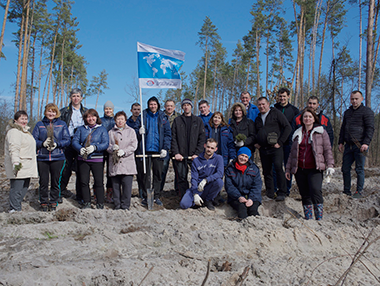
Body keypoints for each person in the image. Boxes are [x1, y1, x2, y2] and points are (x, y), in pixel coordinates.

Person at [285, 108, 334, 220]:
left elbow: (327, 150)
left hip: (315, 168)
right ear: (302, 119)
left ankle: (319, 218)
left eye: (310, 117)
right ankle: (308, 218)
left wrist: (330, 165)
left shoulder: (321, 132)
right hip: (300, 169)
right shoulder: (297, 134)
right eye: (305, 117)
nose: (307, 119)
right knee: (305, 193)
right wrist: (288, 169)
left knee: (315, 190)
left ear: (314, 119)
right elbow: (292, 154)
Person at [32, 103, 70, 211]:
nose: (51, 113)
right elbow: (33, 140)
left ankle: (54, 201)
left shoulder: (62, 124)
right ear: (45, 112)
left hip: (58, 157)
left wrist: (57, 144)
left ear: (56, 113)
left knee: (55, 181)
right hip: (42, 157)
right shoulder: (39, 125)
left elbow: (67, 140)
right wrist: (42, 144)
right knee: (43, 181)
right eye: (49, 111)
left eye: (53, 111)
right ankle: (43, 202)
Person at [254, 97, 291, 201]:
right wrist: (256, 143)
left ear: (268, 104)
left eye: (263, 104)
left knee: (278, 168)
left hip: (275, 148)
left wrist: (280, 142)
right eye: (259, 105)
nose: (261, 106)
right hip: (263, 149)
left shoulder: (276, 113)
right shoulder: (257, 118)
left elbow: (287, 127)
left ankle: (282, 192)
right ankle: (270, 192)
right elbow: (255, 132)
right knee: (266, 171)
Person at [338, 90, 375, 198]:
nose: (354, 101)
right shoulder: (347, 112)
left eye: (356, 99)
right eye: (352, 99)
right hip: (348, 145)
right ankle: (346, 190)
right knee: (345, 168)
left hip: (360, 145)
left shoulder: (367, 112)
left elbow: (370, 128)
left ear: (361, 99)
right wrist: (340, 142)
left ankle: (359, 191)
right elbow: (343, 128)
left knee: (359, 169)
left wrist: (366, 143)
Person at [136, 96, 171, 206]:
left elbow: (167, 135)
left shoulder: (163, 117)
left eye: (154, 104)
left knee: (158, 174)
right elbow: (135, 131)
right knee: (145, 175)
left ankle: (156, 195)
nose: (153, 106)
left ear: (158, 105)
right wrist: (139, 131)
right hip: (145, 150)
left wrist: (165, 148)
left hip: (158, 150)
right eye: (151, 104)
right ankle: (146, 196)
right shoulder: (143, 116)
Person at [72, 109, 109, 209]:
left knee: (99, 181)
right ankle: (87, 202)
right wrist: (80, 149)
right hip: (83, 159)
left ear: (96, 117)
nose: (91, 119)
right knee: (84, 181)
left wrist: (95, 148)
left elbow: (105, 143)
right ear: (85, 118)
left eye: (93, 116)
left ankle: (100, 202)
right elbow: (75, 141)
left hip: (97, 159)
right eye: (88, 117)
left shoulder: (102, 129)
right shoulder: (81, 129)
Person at [5, 110, 38, 213]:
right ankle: (14, 209)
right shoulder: (14, 132)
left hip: (27, 164)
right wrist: (16, 162)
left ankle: (17, 207)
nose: (24, 121)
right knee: (17, 188)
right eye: (21, 119)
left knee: (24, 188)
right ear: (16, 120)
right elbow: (14, 148)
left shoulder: (25, 132)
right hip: (20, 164)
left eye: (25, 119)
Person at [171, 98, 205, 197]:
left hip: (194, 155)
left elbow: (201, 138)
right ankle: (184, 197)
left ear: (191, 107)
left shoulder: (198, 121)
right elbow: (173, 138)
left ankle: (199, 196)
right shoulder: (177, 120)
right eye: (184, 105)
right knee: (181, 178)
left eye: (188, 105)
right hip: (181, 155)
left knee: (198, 176)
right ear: (182, 107)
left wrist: (198, 153)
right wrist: (176, 152)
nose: (186, 107)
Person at [59, 88, 87, 203]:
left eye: (78, 96)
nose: (76, 98)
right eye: (73, 96)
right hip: (68, 142)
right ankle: (60, 191)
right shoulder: (64, 111)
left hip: (81, 143)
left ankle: (80, 195)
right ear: (70, 97)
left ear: (81, 98)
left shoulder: (86, 111)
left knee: (81, 169)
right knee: (66, 167)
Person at [179, 138, 224, 210]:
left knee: (219, 182)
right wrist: (195, 193)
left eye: (212, 148)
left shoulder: (219, 158)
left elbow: (220, 173)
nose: (209, 149)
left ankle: (208, 200)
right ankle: (197, 201)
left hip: (209, 186)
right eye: (208, 147)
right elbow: (194, 178)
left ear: (215, 149)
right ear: (205, 146)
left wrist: (206, 180)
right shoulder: (196, 161)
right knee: (184, 204)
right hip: (198, 187)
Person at [107, 111, 138, 210]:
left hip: (127, 163)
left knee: (127, 187)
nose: (120, 121)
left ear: (125, 120)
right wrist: (113, 149)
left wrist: (124, 151)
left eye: (122, 119)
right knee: (115, 186)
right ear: (115, 120)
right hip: (115, 163)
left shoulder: (131, 131)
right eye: (118, 119)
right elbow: (107, 146)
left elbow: (133, 146)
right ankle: (117, 205)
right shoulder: (111, 132)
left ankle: (125, 206)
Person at [273, 87, 300, 195]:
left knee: (288, 167)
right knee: (276, 166)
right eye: (280, 96)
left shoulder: (294, 110)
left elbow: (298, 127)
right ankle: (275, 188)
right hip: (276, 143)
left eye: (284, 96)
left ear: (288, 96)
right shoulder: (274, 108)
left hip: (289, 142)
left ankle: (286, 189)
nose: (282, 98)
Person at [225, 147, 262, 219]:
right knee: (242, 209)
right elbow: (229, 186)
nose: (243, 158)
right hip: (235, 197)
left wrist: (251, 198)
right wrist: (239, 197)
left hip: (252, 197)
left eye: (246, 157)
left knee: (253, 211)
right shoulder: (230, 168)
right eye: (242, 155)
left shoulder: (254, 169)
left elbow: (257, 185)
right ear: (238, 155)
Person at [160, 99, 180, 194]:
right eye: (168, 106)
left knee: (178, 171)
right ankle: (159, 190)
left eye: (171, 106)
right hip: (164, 147)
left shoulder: (179, 117)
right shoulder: (160, 116)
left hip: (176, 147)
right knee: (163, 169)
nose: (169, 107)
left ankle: (177, 190)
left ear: (174, 107)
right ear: (165, 107)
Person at [126, 102, 143, 198]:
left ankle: (141, 193)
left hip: (140, 150)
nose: (136, 111)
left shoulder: (143, 121)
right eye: (135, 109)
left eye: (138, 109)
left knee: (141, 173)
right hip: (129, 151)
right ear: (131, 110)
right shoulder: (127, 122)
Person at [100, 100, 115, 203]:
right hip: (101, 150)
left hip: (112, 149)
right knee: (99, 173)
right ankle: (98, 194)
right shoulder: (100, 121)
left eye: (110, 109)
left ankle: (110, 194)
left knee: (111, 173)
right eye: (106, 109)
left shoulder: (115, 121)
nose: (108, 110)